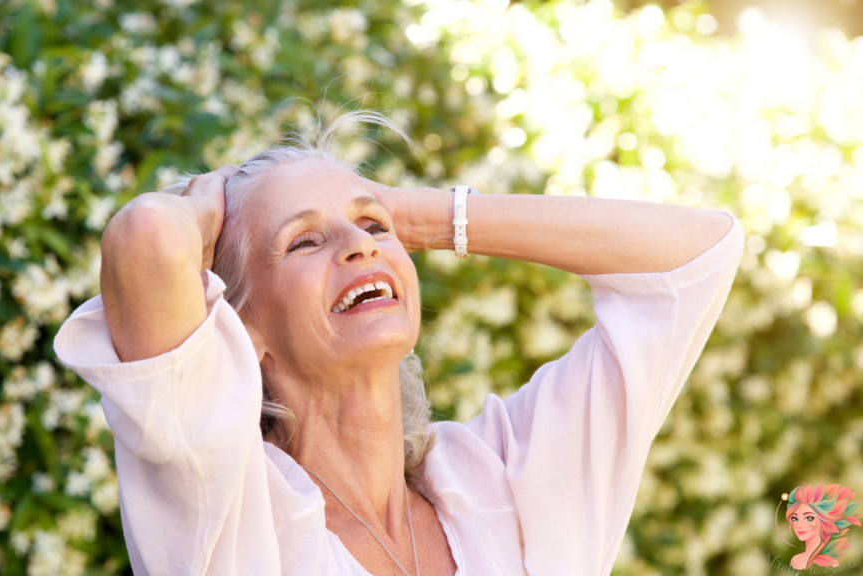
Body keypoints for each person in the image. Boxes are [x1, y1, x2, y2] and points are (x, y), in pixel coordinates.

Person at [53, 111, 744, 575]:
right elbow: (146, 239)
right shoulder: (226, 512)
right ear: (244, 329)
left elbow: (694, 257)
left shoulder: (507, 478)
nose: (357, 246)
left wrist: (417, 215)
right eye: (306, 241)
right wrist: (204, 204)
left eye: (372, 229)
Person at [776, 484, 863, 570]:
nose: (799, 525)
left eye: (808, 518)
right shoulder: (795, 559)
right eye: (795, 518)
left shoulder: (832, 563)